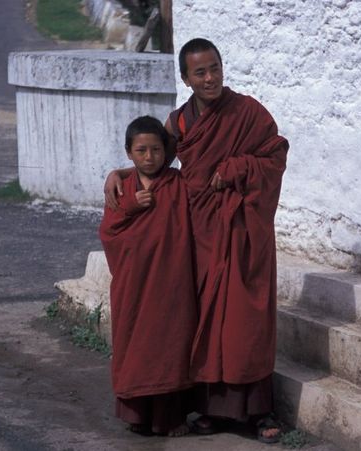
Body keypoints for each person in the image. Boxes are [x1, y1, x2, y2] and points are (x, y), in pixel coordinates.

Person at [104, 38, 289, 443]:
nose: (210, 78)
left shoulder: (248, 112)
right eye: (200, 72)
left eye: (215, 68)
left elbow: (275, 157)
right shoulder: (181, 122)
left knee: (244, 321)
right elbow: (155, 160)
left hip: (242, 230)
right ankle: (213, 410)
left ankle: (259, 413)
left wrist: (239, 167)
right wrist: (119, 172)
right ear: (185, 78)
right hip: (200, 232)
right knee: (207, 321)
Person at [99, 115, 197, 437]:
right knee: (135, 344)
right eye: (141, 151)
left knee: (171, 345)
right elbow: (109, 233)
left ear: (166, 152)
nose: (149, 157)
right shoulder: (121, 189)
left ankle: (169, 418)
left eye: (156, 150)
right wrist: (130, 207)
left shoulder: (177, 185)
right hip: (134, 285)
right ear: (129, 152)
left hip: (171, 283)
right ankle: (137, 415)